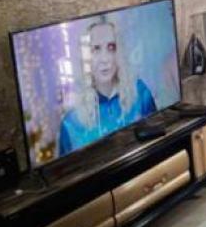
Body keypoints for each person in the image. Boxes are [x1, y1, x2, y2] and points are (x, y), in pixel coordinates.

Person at [58, 17, 156, 156]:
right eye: (95, 49)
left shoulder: (140, 94)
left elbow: (157, 145)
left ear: (119, 53)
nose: (105, 59)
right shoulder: (71, 123)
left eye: (111, 47)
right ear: (84, 56)